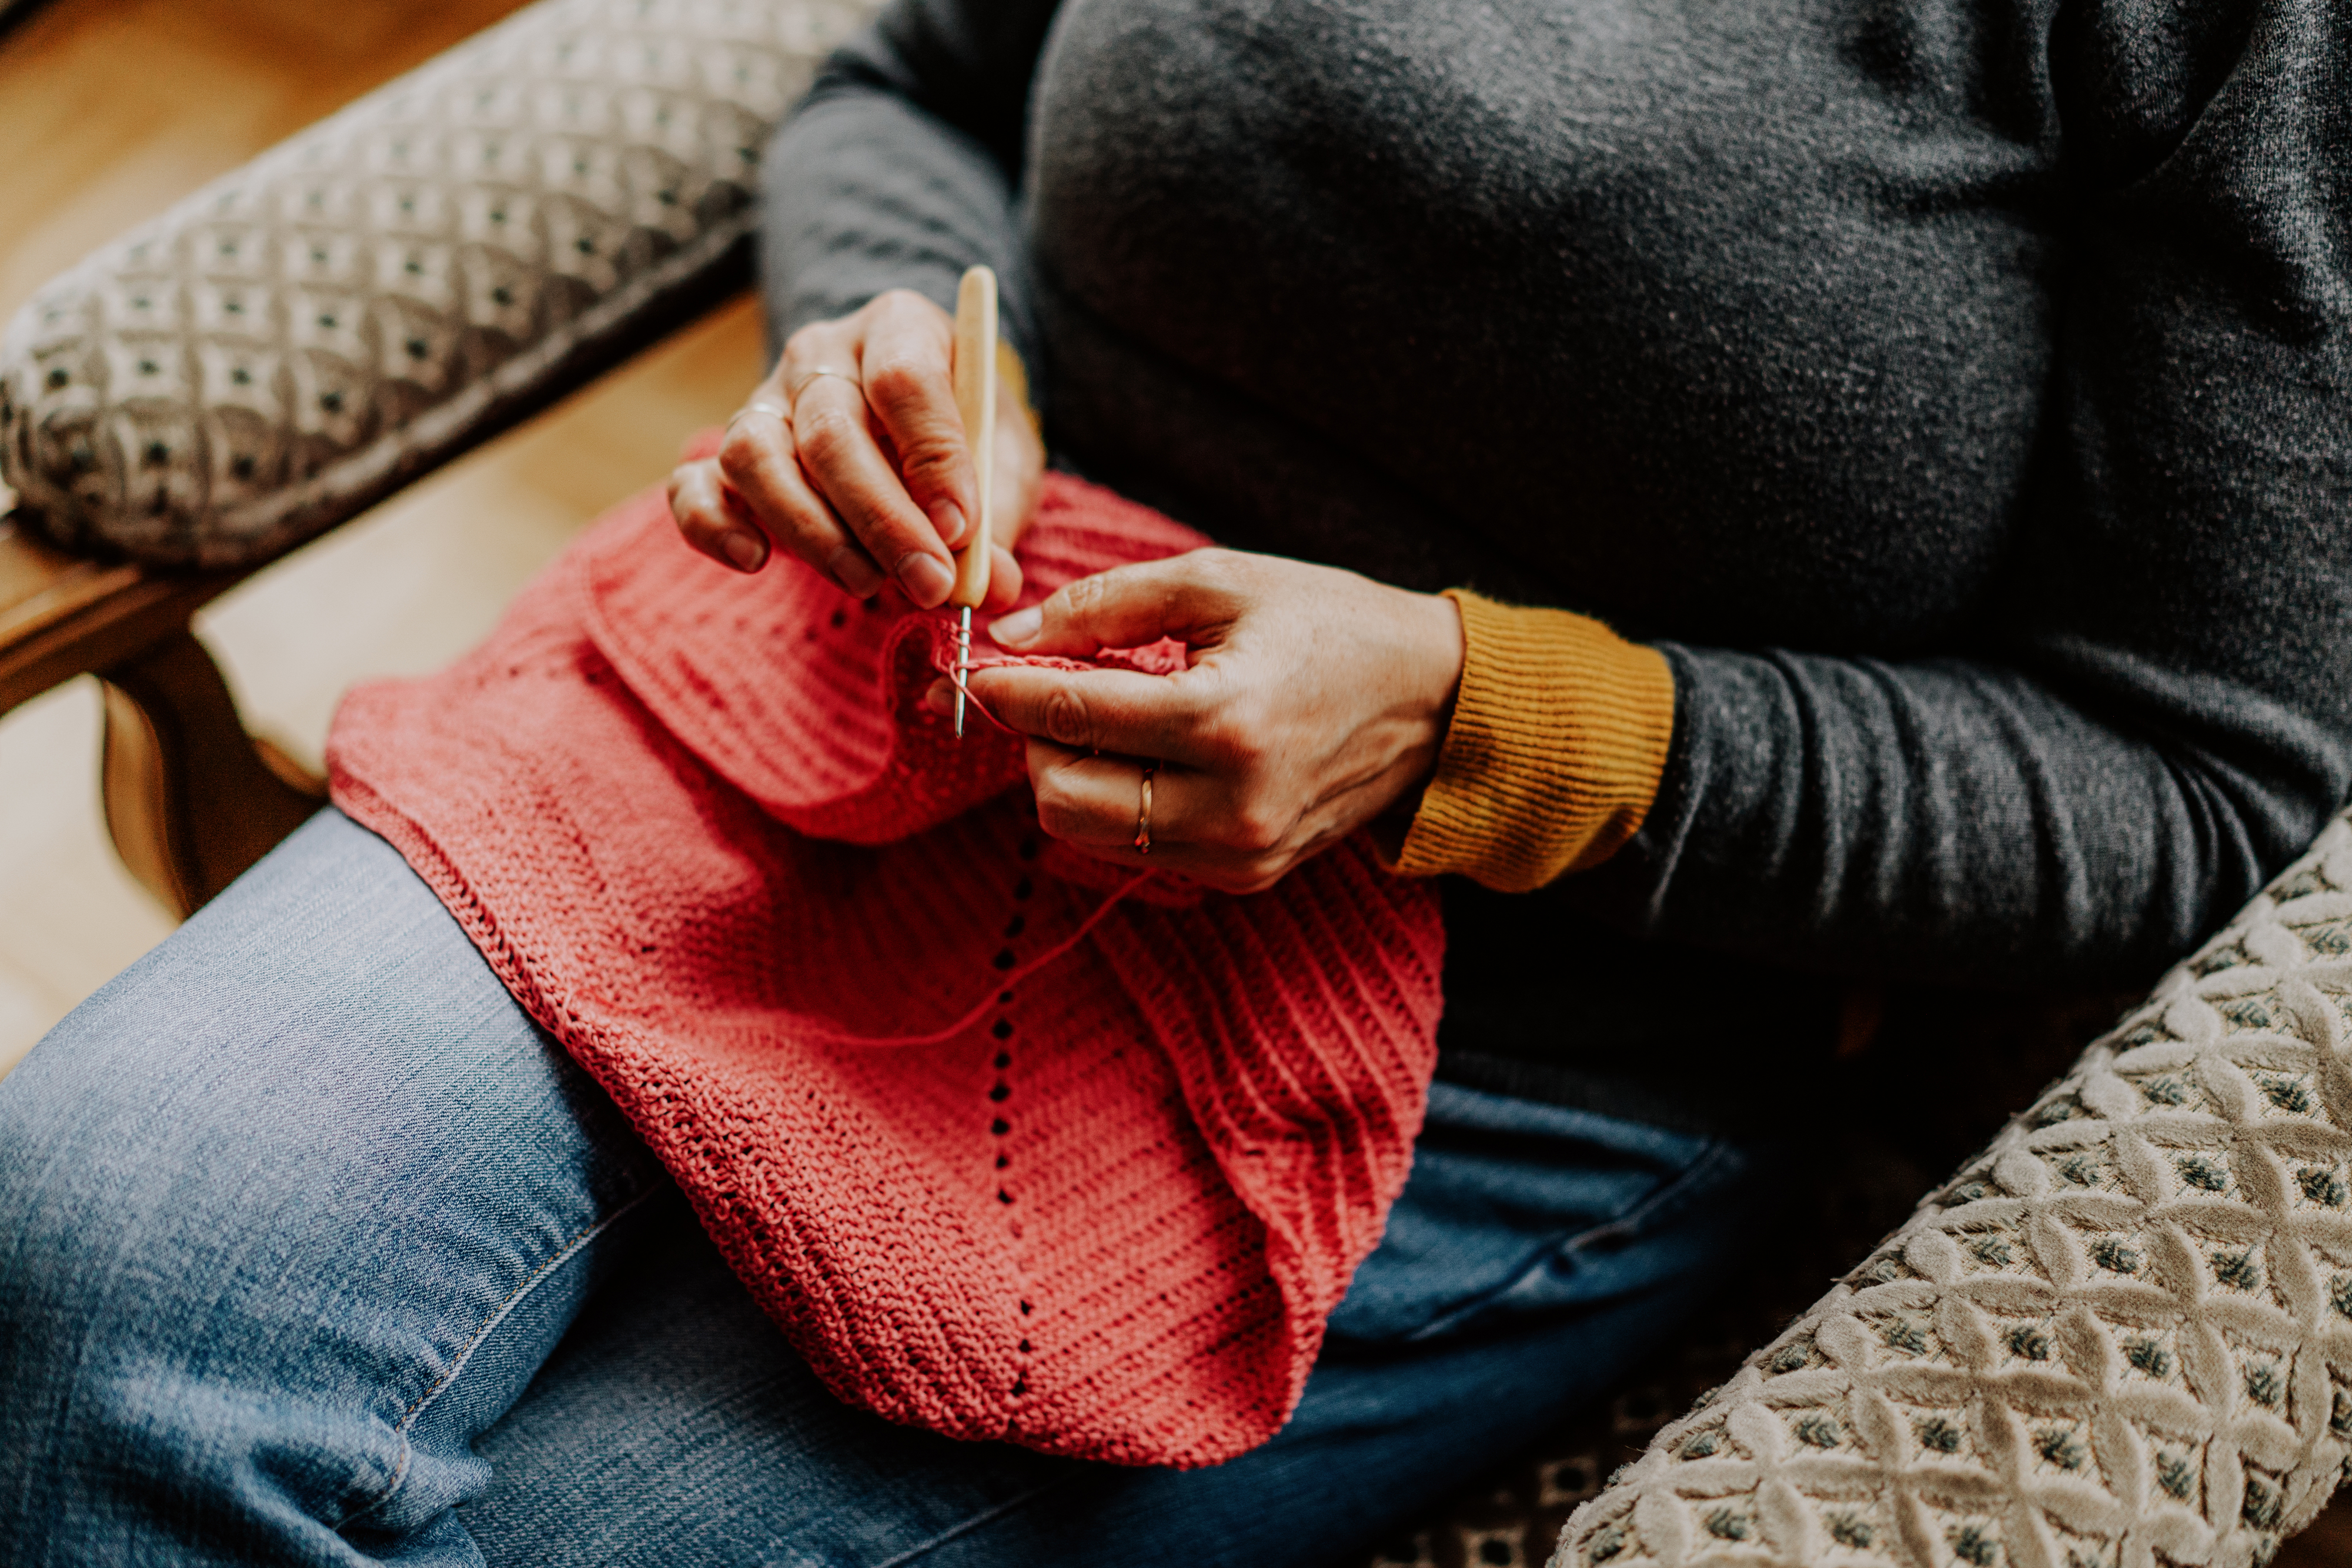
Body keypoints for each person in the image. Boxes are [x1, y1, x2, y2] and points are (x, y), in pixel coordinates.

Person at [4, 0, 2348, 1562]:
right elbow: (910, 81)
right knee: (96, 1256)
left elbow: (2204, 779)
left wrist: (1466, 717)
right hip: (838, 708)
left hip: (1506, 1026)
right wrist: (906, 345)